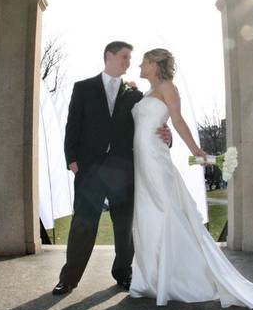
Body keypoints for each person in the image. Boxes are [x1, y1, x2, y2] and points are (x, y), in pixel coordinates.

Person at [130, 48, 253, 309]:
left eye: (144, 61)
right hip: (141, 160)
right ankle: (152, 277)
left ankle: (184, 277)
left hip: (154, 157)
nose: (139, 65)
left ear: (154, 64)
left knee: (165, 211)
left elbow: (177, 120)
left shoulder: (168, 88)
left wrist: (195, 149)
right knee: (148, 214)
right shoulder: (146, 93)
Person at [53, 41, 171, 296]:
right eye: (125, 57)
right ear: (109, 56)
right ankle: (69, 278)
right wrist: (71, 158)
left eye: (131, 58)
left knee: (124, 225)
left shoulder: (135, 94)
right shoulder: (83, 88)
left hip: (122, 169)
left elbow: (147, 125)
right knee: (83, 224)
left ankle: (123, 273)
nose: (129, 62)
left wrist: (166, 135)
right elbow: (72, 125)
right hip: (89, 169)